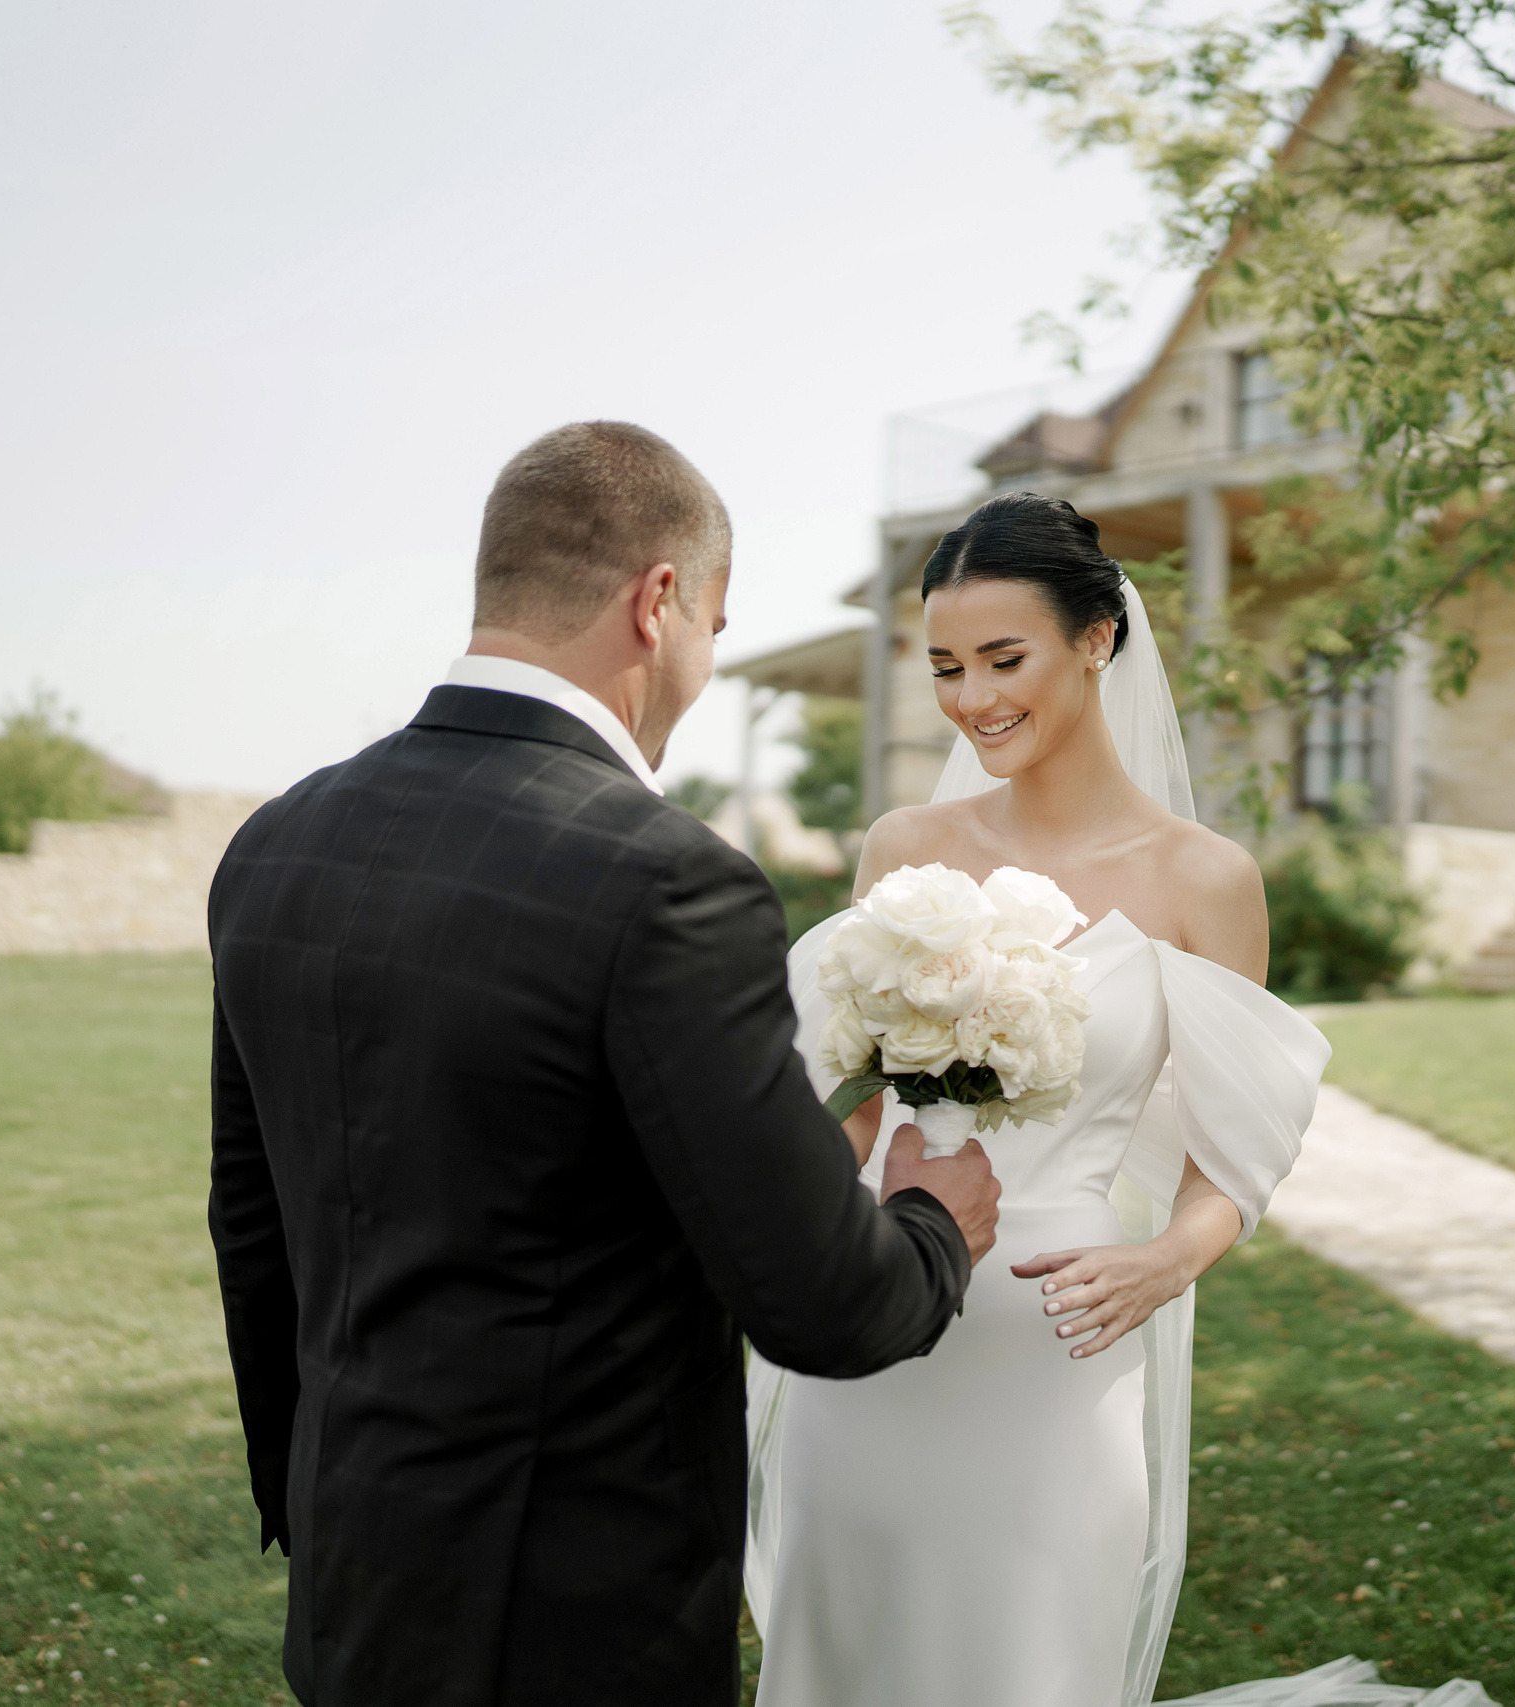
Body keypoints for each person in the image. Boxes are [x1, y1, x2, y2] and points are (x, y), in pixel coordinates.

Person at [205, 421, 1001, 1706]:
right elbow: (822, 1304)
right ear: (659, 601)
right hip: (575, 1612)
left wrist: (309, 1488)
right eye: (715, 629)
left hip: (358, 1559)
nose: (703, 666)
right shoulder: (666, 880)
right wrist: (931, 1223)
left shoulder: (278, 843)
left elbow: (252, 1225)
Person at [746, 493, 1480, 1706]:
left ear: (1096, 641)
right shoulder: (902, 845)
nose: (972, 698)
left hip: (1061, 1338)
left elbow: (1238, 1143)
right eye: (943, 667)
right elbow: (850, 1100)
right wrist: (834, 1220)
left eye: (1002, 658)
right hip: (878, 1320)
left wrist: (1166, 1263)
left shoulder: (1203, 879)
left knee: (1032, 1658)